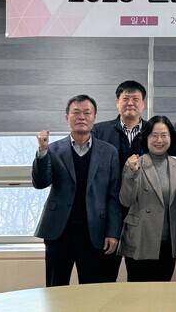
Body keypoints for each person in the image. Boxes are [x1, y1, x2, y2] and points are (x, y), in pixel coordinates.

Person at [92, 80, 176, 280]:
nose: (130, 103)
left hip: (144, 218)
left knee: (151, 283)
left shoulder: (150, 130)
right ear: (117, 102)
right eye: (125, 98)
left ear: (143, 103)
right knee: (103, 278)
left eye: (136, 99)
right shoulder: (99, 132)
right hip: (109, 213)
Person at [32, 95, 121, 286]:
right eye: (76, 112)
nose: (81, 117)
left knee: (92, 291)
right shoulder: (53, 149)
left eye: (87, 113)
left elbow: (113, 196)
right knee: (55, 289)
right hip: (59, 231)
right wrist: (42, 150)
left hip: (94, 232)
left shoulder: (109, 152)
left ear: (94, 118)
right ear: (67, 118)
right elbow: (40, 183)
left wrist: (113, 232)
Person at [118, 115, 176, 282]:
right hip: (141, 238)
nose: (159, 140)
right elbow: (126, 201)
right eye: (154, 135)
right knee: (138, 293)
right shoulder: (135, 163)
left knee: (163, 291)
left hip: (168, 242)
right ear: (146, 137)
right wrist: (132, 173)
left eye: (164, 135)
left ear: (171, 138)